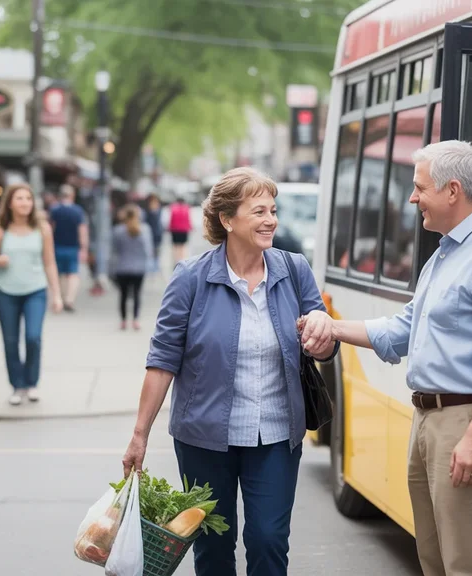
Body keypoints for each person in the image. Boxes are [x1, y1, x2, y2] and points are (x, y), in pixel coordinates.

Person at [299, 141, 472, 576]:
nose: (412, 198)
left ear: (452, 190)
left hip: (466, 423)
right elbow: (403, 330)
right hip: (429, 421)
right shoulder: (446, 253)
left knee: (471, 563)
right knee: (434, 560)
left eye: (419, 187)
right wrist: (330, 326)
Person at [121, 167, 338, 576]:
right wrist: (139, 435)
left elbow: (322, 335)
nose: (271, 220)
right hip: (204, 439)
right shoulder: (191, 278)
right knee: (214, 550)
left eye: (273, 210)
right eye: (258, 211)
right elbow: (163, 358)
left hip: (276, 433)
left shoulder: (293, 270)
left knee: (269, 540)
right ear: (227, 219)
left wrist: (323, 339)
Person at [0, 183, 64, 406]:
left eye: (28, 199)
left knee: (33, 337)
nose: (25, 203)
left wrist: (56, 294)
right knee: (10, 341)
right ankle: (17, 385)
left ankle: (32, 382)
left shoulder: (42, 228)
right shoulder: (1, 226)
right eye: (19, 198)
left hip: (35, 291)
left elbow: (49, 262)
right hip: (6, 292)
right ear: (10, 202)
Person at [112, 204, 153, 331]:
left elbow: (115, 249)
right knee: (136, 294)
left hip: (122, 267)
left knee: (123, 295)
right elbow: (148, 250)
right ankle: (135, 320)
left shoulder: (118, 230)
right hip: (139, 268)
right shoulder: (145, 229)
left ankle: (123, 321)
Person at [48, 184, 89, 312]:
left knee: (58, 274)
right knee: (73, 274)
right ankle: (69, 300)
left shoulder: (54, 210)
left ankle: (59, 298)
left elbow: (50, 229)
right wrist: (84, 248)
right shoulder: (78, 211)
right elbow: (82, 231)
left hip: (57, 246)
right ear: (73, 195)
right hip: (72, 247)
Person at [167, 194, 192, 264]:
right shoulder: (186, 207)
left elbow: (171, 219)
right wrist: (190, 227)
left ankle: (176, 260)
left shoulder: (173, 207)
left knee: (176, 247)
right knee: (182, 247)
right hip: (184, 230)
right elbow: (188, 219)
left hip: (175, 230)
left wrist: (169, 228)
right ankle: (182, 261)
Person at [143, 194, 164, 272]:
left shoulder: (159, 211)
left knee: (157, 251)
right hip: (149, 234)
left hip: (157, 234)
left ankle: (156, 267)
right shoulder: (146, 212)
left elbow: (160, 223)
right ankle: (151, 267)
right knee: (150, 251)